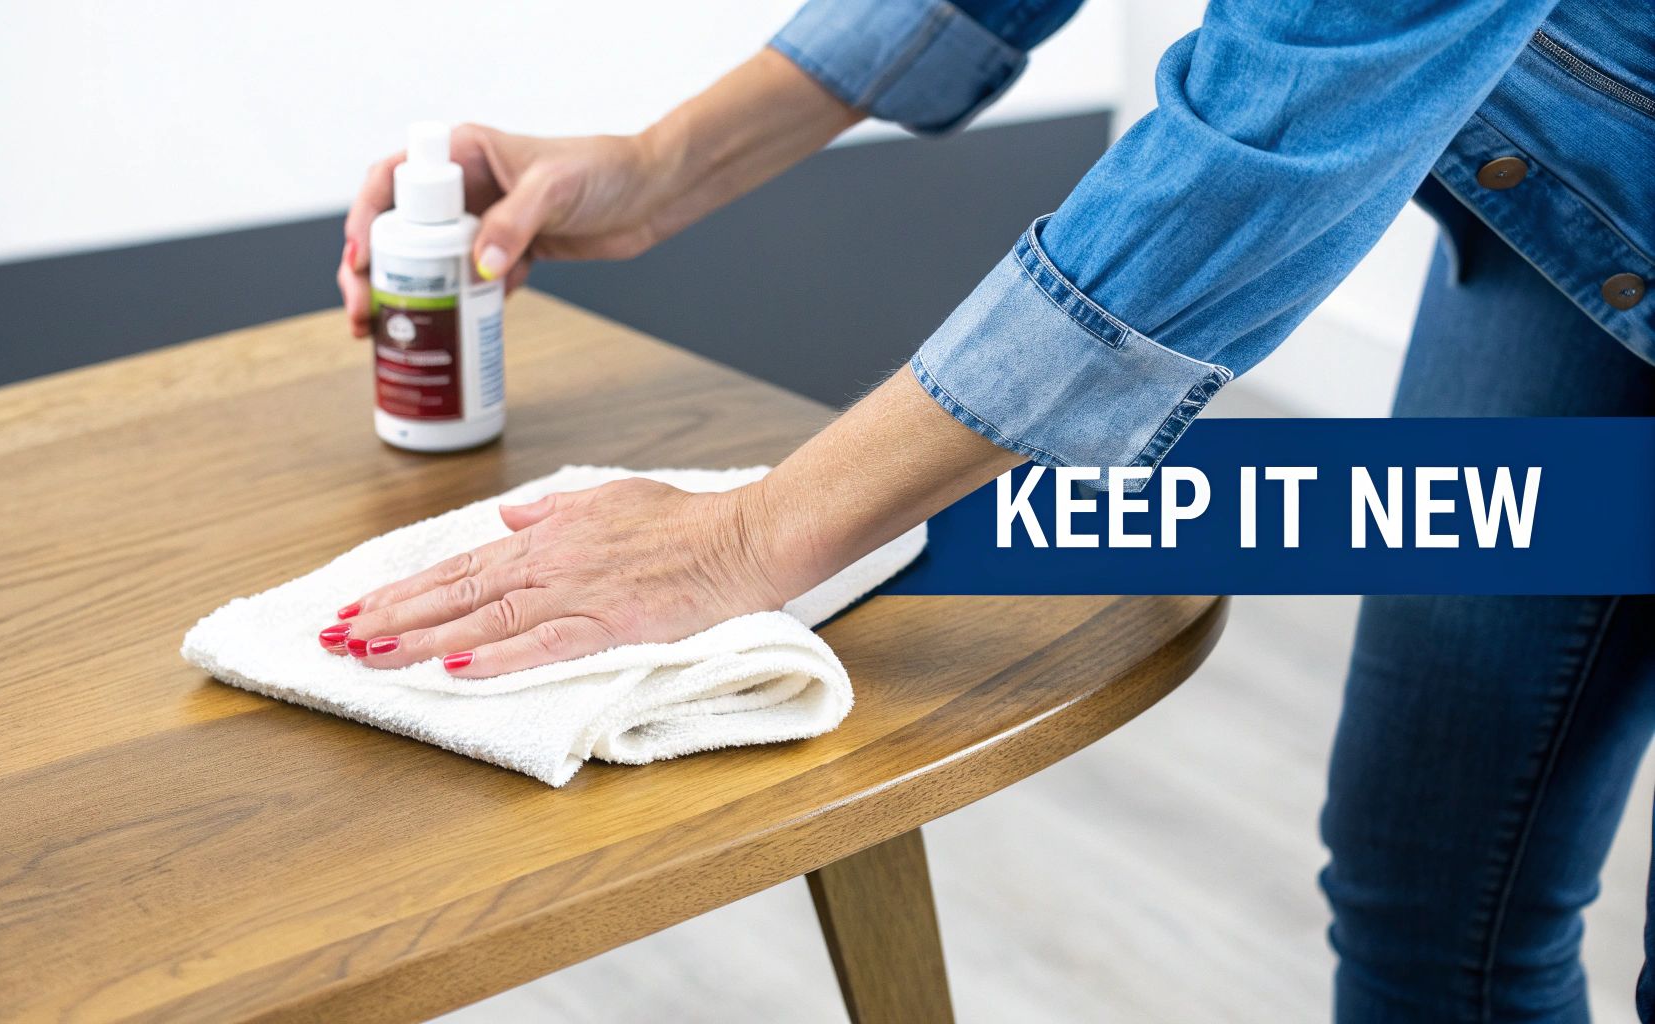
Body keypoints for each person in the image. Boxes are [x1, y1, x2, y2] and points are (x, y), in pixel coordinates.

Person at [329, 1, 1655, 1019]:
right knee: (1433, 893)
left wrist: (746, 540)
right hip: (1588, 179)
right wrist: (663, 163)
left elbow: (1267, 145)